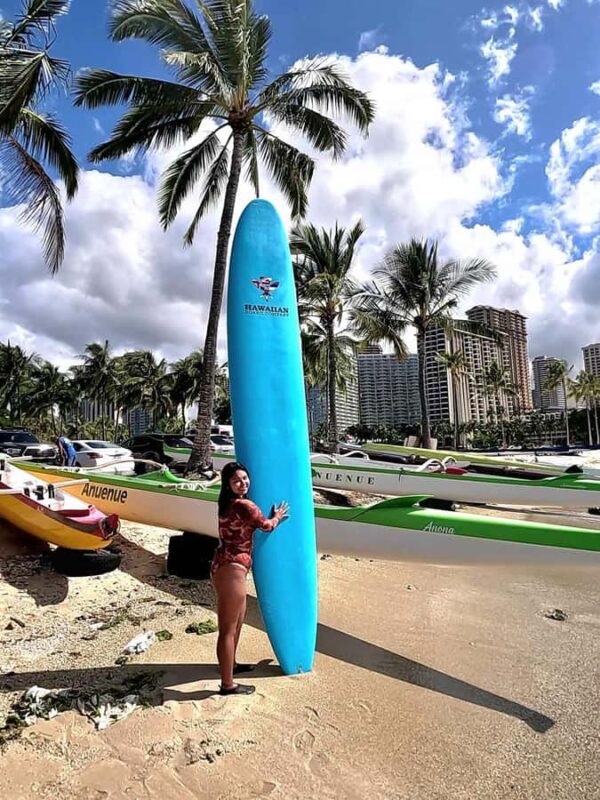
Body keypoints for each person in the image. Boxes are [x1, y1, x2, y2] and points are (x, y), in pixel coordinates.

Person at [212, 461, 288, 696]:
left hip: (228, 566)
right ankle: (227, 685)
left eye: (245, 478)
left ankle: (231, 665)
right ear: (228, 484)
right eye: (237, 480)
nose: (243, 483)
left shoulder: (226, 503)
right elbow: (265, 526)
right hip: (231, 569)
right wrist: (277, 517)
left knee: (237, 622)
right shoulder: (243, 505)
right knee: (227, 628)